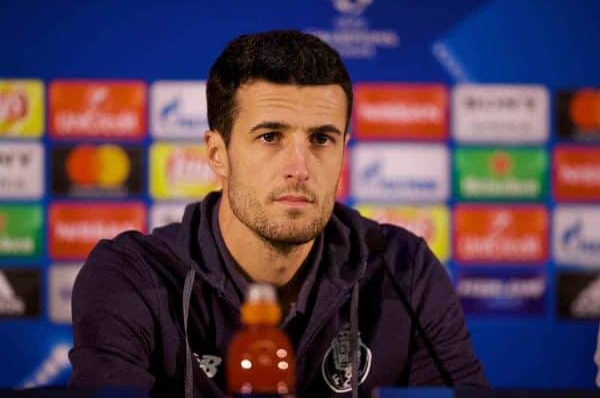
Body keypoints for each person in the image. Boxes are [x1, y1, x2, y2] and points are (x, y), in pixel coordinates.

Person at [69, 30, 488, 397]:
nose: (300, 167)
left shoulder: (405, 270)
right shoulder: (133, 277)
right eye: (270, 136)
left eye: (321, 139)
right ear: (218, 155)